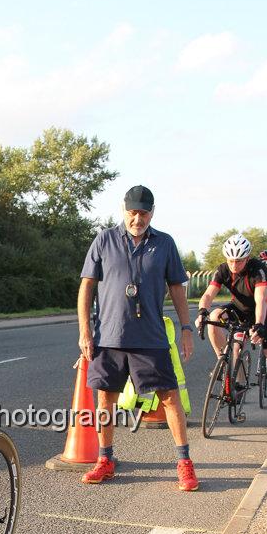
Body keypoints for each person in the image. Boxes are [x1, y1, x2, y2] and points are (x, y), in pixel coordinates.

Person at [78, 184, 199, 491]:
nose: (138, 219)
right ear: (124, 210)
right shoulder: (104, 240)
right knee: (105, 399)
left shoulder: (165, 243)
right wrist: (84, 332)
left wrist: (186, 329)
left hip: (151, 337)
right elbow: (86, 287)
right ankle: (105, 460)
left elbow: (177, 289)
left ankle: (184, 463)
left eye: (144, 213)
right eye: (133, 213)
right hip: (109, 337)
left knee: (169, 398)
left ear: (152, 213)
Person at [196, 234, 267, 424]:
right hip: (237, 308)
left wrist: (259, 325)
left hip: (260, 312)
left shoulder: (258, 270)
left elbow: (260, 300)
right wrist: (202, 311)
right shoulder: (223, 269)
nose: (234, 265)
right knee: (213, 317)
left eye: (239, 261)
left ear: (248, 257)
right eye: (231, 260)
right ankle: (223, 360)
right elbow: (209, 294)